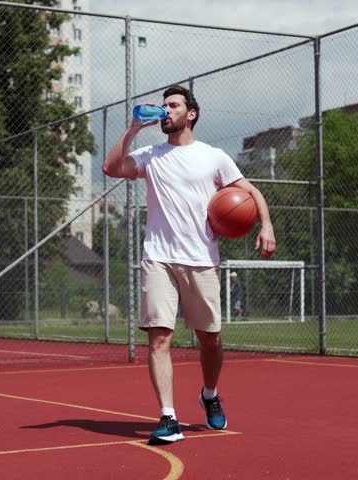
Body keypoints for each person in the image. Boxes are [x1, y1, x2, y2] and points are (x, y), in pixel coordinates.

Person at [102, 84, 276, 445]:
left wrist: (266, 226)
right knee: (159, 338)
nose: (166, 110)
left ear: (190, 113)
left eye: (173, 105)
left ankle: (209, 394)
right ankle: (168, 417)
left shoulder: (214, 156)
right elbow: (111, 167)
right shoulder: (151, 155)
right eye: (163, 105)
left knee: (210, 339)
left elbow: (252, 192)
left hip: (201, 259)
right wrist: (134, 128)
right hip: (159, 258)